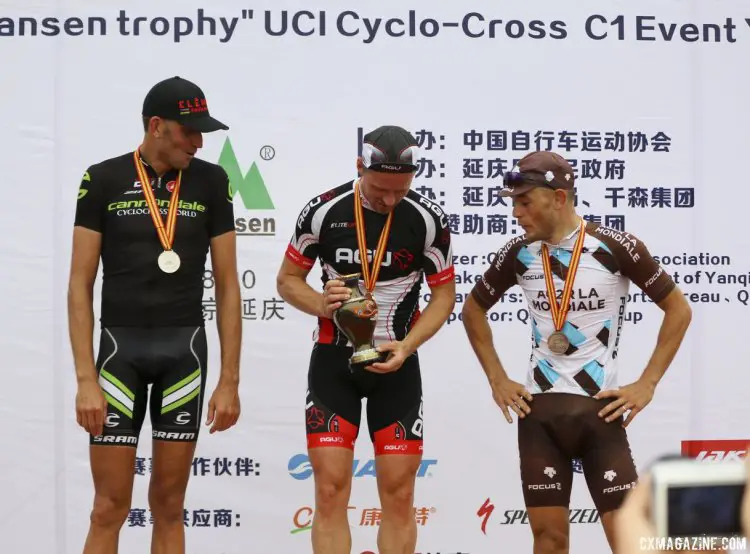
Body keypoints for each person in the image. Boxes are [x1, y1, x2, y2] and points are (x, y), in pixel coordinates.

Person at [461, 151, 693, 554]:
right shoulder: (518, 252)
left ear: (559, 198)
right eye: (513, 202)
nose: (515, 212)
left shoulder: (616, 246)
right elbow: (472, 310)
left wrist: (647, 384)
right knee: (549, 541)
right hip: (539, 418)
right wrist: (497, 378)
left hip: (599, 414)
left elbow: (679, 309)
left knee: (631, 541)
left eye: (524, 201)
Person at [67, 76, 242, 554]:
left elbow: (228, 286)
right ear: (157, 125)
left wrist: (230, 380)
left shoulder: (212, 181)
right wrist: (86, 378)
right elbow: (80, 285)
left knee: (169, 505)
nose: (199, 142)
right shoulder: (102, 179)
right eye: (190, 131)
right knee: (109, 507)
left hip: (183, 355)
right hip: (117, 357)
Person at [276, 125, 456, 554]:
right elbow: (287, 281)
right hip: (333, 363)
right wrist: (323, 303)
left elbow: (444, 295)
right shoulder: (323, 211)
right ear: (360, 167)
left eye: (401, 190)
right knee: (330, 491)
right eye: (380, 190)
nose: (391, 200)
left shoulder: (427, 219)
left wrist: (408, 346)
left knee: (398, 495)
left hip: (397, 365)